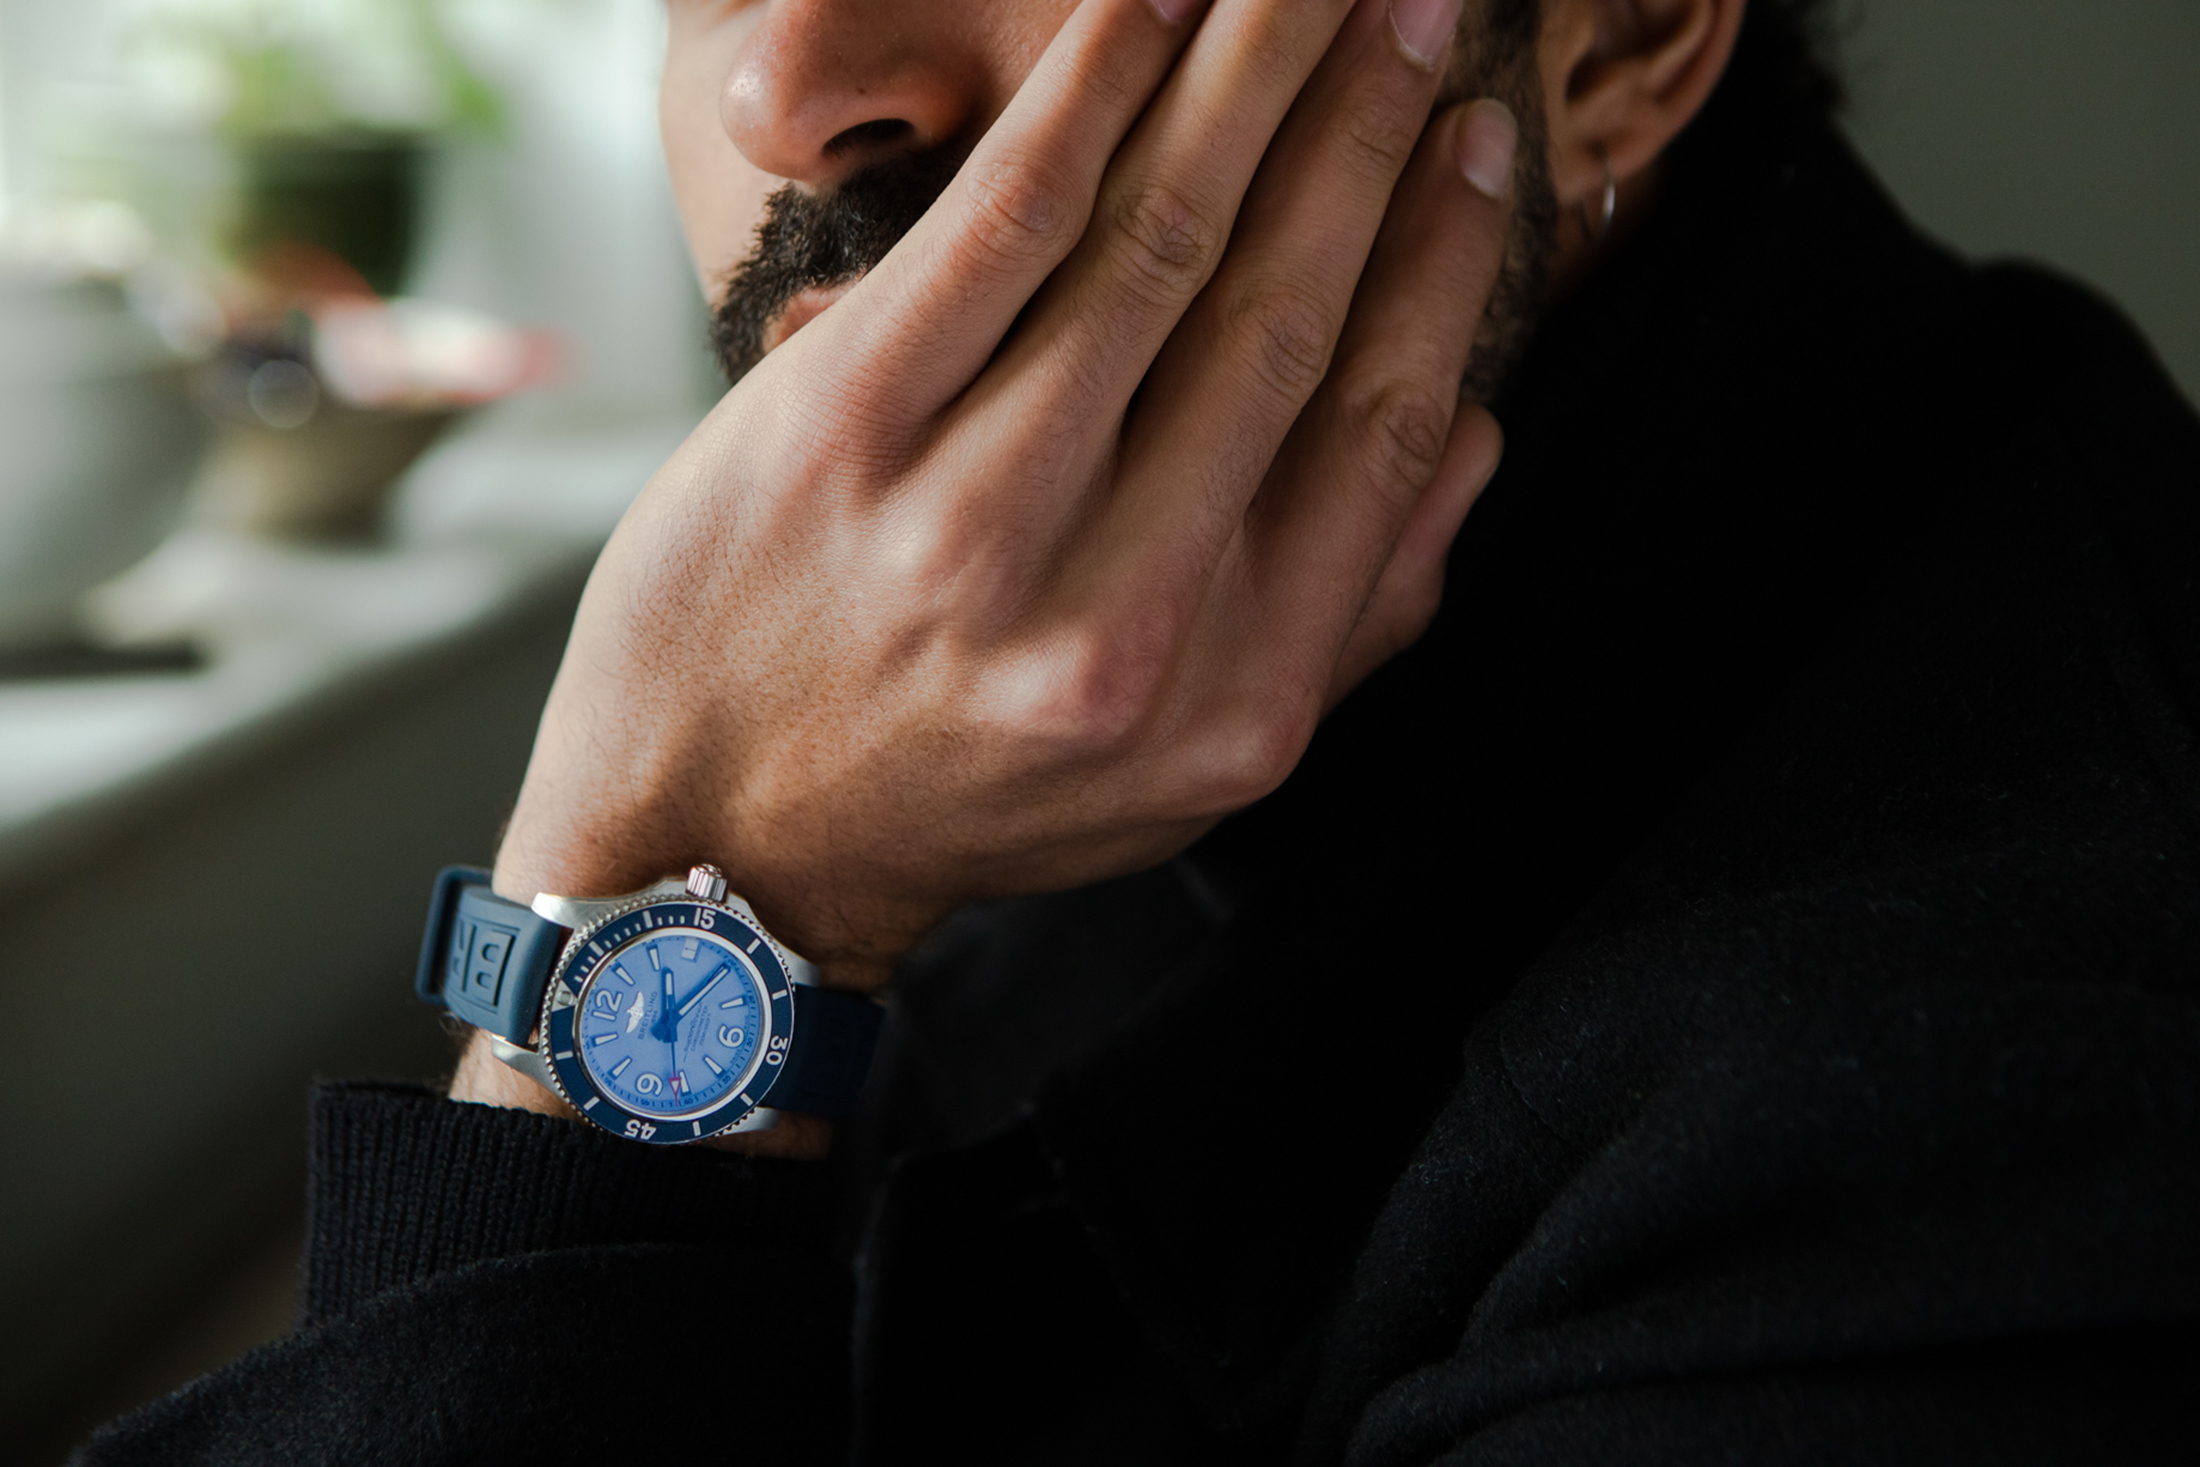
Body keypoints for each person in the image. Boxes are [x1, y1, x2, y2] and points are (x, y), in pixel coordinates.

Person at [80, 0, 2200, 1460]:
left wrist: (676, 879)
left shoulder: (1967, 1091)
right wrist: (716, 888)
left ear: (1622, 34)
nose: (780, 83)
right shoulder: (1000, 657)